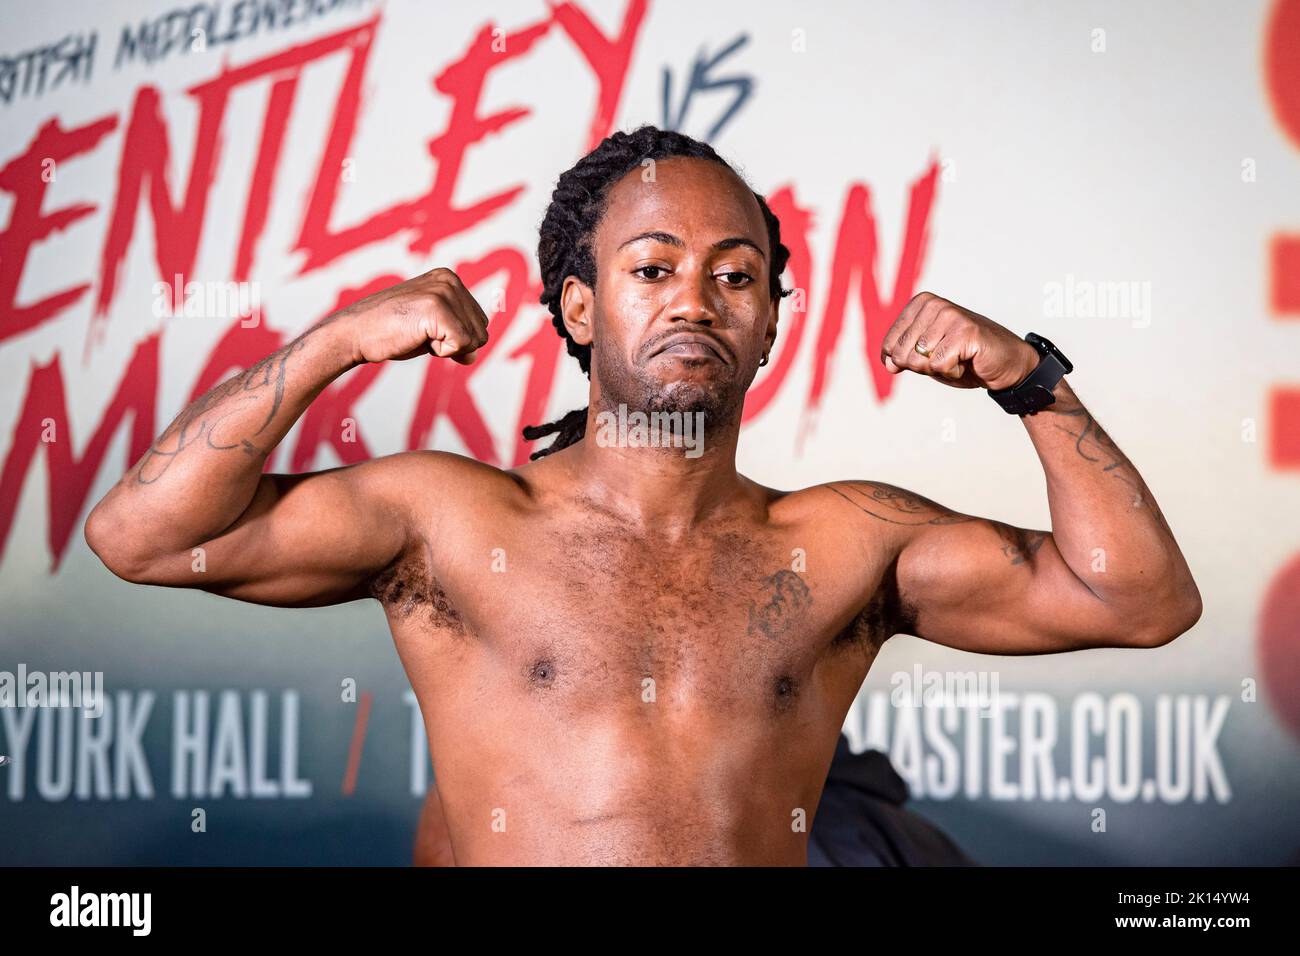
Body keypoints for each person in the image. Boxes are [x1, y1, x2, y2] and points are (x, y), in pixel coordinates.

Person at [85, 125, 1201, 866]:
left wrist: (1029, 379)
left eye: (735, 274)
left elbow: (1137, 600)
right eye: (652, 267)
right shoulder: (454, 521)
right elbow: (140, 535)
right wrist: (335, 338)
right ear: (577, 309)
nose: (697, 301)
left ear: (769, 320)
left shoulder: (845, 539)